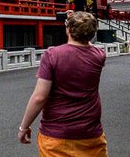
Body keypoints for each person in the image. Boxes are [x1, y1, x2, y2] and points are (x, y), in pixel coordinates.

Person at [18, 11, 107, 156]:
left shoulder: (52, 55)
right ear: (92, 32)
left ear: (68, 30)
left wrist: (24, 127)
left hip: (56, 134)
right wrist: (78, 21)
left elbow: (39, 97)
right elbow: (88, 43)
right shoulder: (99, 55)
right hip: (91, 133)